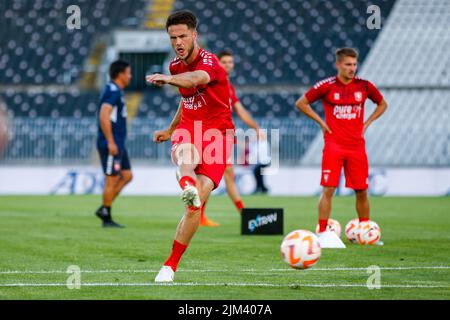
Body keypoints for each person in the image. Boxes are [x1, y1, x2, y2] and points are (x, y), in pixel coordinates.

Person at [147, 10, 235, 282]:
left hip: (219, 135)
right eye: (173, 38)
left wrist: (169, 79)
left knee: (196, 203)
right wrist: (171, 129)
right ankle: (186, 180)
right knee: (187, 152)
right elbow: (186, 100)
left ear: (194, 35)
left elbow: (196, 80)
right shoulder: (175, 65)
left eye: (183, 36)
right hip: (190, 128)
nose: (178, 42)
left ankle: (172, 262)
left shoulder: (210, 64)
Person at [295, 47, 388, 248]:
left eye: (354, 64)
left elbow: (382, 104)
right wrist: (321, 122)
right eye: (348, 64)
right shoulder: (327, 86)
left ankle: (365, 231)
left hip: (356, 146)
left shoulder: (364, 86)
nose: (352, 68)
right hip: (334, 145)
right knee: (329, 188)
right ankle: (321, 232)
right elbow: (301, 103)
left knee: (362, 190)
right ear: (338, 65)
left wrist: (367, 122)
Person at [197, 49, 262, 227]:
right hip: (210, 135)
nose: (228, 65)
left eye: (230, 62)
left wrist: (255, 127)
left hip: (220, 135)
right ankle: (242, 214)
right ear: (217, 63)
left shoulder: (228, 87)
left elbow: (240, 110)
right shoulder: (209, 82)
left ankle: (200, 214)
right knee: (221, 175)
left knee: (219, 175)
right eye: (224, 62)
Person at [95, 60, 133, 228]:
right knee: (111, 178)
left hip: (118, 142)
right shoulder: (113, 91)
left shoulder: (116, 90)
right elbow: (104, 114)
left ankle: (104, 207)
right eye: (128, 72)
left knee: (127, 175)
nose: (130, 76)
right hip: (112, 142)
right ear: (121, 74)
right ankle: (106, 217)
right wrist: (110, 141)